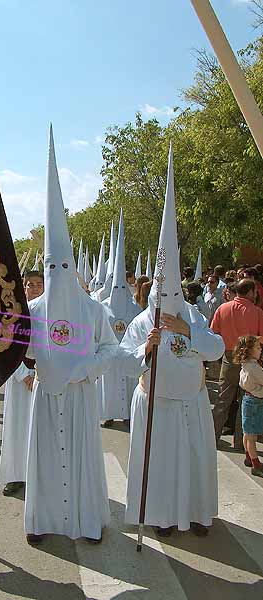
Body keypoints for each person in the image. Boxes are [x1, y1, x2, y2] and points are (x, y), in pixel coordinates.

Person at [121, 144, 225, 538]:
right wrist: (146, 349)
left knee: (194, 461)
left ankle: (197, 513)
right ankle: (161, 516)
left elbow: (216, 349)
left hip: (192, 404)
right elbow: (124, 359)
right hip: (155, 406)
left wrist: (187, 332)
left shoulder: (193, 316)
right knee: (160, 463)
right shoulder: (141, 321)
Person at [24, 128, 118, 546]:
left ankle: (85, 520)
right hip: (45, 397)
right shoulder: (33, 310)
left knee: (81, 459)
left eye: (63, 267)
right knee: (44, 461)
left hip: (80, 398)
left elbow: (110, 348)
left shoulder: (94, 310)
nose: (57, 276)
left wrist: (84, 368)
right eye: (51, 268)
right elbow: (19, 350)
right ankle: (43, 521)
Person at [0, 270, 44, 496]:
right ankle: (16, 476)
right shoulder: (13, 313)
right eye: (30, 284)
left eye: (38, 284)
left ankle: (41, 476)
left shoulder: (51, 313)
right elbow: (4, 347)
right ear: (23, 287)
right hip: (18, 379)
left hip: (44, 377)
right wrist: (23, 374)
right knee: (17, 429)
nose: (34, 288)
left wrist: (40, 372)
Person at [98, 208, 141, 428]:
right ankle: (108, 414)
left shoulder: (135, 307)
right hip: (108, 354)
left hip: (126, 353)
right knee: (109, 387)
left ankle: (128, 414)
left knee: (128, 383)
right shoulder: (101, 307)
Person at [211, 279, 263, 447]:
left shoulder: (223, 308)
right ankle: (242, 442)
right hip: (249, 360)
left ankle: (212, 436)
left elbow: (213, 332)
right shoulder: (256, 312)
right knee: (246, 401)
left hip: (228, 356)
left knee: (222, 399)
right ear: (249, 292)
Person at [233, 335, 263, 477]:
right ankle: (256, 464)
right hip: (255, 402)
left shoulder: (245, 363)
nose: (260, 350)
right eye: (257, 348)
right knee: (252, 436)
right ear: (250, 351)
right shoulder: (254, 368)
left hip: (247, 399)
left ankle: (248, 457)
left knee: (247, 433)